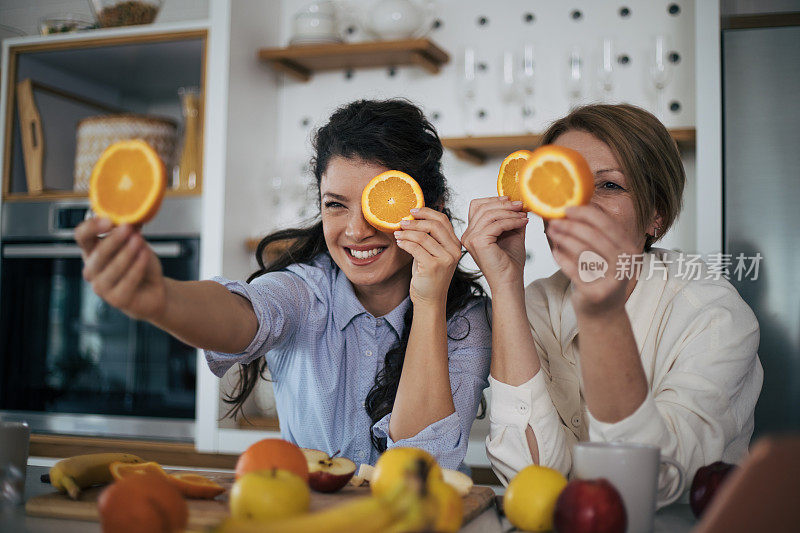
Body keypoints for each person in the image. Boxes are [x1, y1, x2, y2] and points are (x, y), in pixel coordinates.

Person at [75, 99, 491, 470]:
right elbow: (243, 314)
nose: (356, 230)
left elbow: (421, 467)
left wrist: (430, 301)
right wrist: (161, 298)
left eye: (380, 206)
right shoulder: (305, 292)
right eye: (335, 205)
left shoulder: (465, 321)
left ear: (432, 210)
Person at [461, 104, 762, 499]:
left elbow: (650, 485)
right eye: (561, 185)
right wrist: (505, 284)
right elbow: (533, 478)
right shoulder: (534, 305)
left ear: (657, 214)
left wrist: (602, 312)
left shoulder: (713, 316)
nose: (579, 205)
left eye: (608, 185)